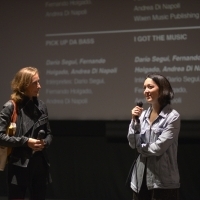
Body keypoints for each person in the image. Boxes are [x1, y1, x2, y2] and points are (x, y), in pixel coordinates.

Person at [0, 67, 53, 200]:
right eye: (35, 83)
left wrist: (44, 142)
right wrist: (26, 141)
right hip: (18, 164)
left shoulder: (42, 106)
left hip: (39, 165)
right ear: (24, 84)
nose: (39, 86)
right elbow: (0, 137)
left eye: (39, 82)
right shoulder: (11, 107)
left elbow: (49, 134)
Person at [127, 73, 180, 200]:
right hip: (140, 181)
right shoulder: (142, 115)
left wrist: (141, 149)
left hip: (163, 183)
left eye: (150, 87)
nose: (146, 91)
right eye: (144, 87)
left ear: (162, 90)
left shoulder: (172, 116)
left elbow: (158, 148)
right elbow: (133, 143)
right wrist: (134, 121)